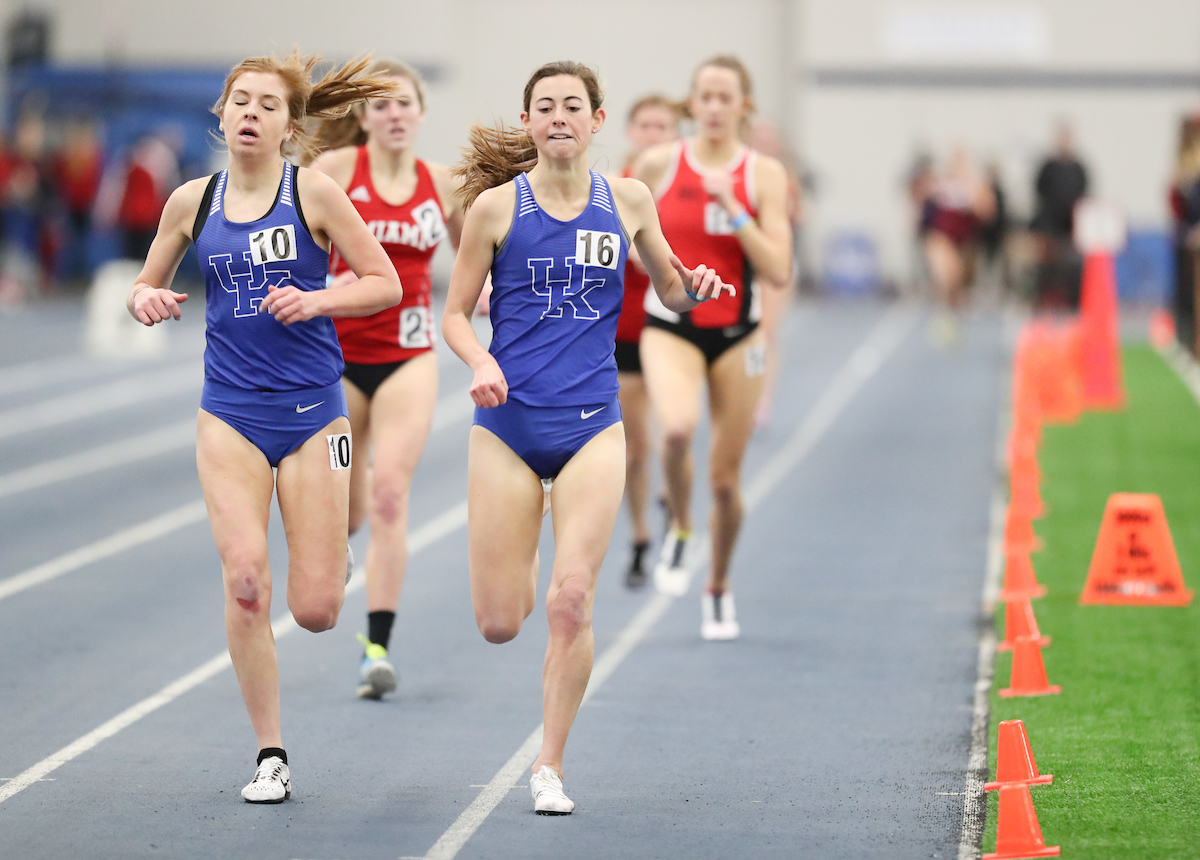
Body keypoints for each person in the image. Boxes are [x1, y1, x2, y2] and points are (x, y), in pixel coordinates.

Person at [442, 61, 730, 815]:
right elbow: (454, 314)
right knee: (502, 621)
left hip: (591, 427)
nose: (560, 117)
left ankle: (550, 766)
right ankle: (527, 531)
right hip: (506, 427)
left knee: (571, 601)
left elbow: (668, 288)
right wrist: (479, 361)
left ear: (598, 120)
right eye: (546, 107)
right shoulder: (496, 211)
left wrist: (690, 285)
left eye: (573, 105)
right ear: (530, 120)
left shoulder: (629, 199)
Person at [125, 51, 402, 803]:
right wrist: (144, 299)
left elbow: (386, 282)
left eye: (266, 104)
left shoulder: (311, 191)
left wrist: (316, 302)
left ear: (289, 125)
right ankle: (270, 754)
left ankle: (333, 554)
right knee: (246, 580)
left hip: (313, 414)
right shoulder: (192, 200)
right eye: (238, 101)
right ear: (220, 114)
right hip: (230, 414)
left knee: (314, 612)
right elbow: (146, 282)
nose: (249, 112)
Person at [311, 59, 465, 700]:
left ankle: (377, 646)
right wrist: (323, 285)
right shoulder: (336, 175)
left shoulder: (445, 183)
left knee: (391, 496)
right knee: (344, 511)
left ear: (422, 111)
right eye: (381, 106)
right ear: (364, 118)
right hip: (337, 358)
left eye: (404, 104)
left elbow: (479, 248)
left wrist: (482, 295)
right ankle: (339, 554)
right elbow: (295, 248)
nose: (395, 115)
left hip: (408, 356)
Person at [632, 55, 792, 640]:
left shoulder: (763, 175)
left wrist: (733, 208)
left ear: (743, 105)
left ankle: (718, 588)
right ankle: (679, 527)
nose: (717, 107)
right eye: (707, 96)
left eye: (728, 97)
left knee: (725, 484)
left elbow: (778, 270)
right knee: (675, 429)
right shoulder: (657, 164)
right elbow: (601, 226)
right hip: (670, 326)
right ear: (691, 104)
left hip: (738, 338)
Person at [612, 94, 679, 588]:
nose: (653, 135)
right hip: (630, 329)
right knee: (636, 446)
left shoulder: (686, 186)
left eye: (663, 127)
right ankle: (639, 536)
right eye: (645, 126)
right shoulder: (614, 190)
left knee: (677, 430)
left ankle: (675, 507)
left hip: (680, 327)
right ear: (631, 133)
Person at [922, 145, 994, 344]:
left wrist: (972, 184)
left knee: (960, 282)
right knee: (948, 274)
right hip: (941, 237)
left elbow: (987, 211)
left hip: (964, 240)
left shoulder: (973, 185)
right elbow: (922, 200)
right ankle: (942, 315)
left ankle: (952, 316)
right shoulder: (941, 182)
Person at [1030, 123, 1088, 309]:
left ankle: (1072, 305)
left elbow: (1083, 196)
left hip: (1070, 228)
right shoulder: (1048, 167)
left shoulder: (1078, 168)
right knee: (1046, 268)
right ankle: (1042, 304)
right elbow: (1039, 193)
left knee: (1072, 268)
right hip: (1050, 228)